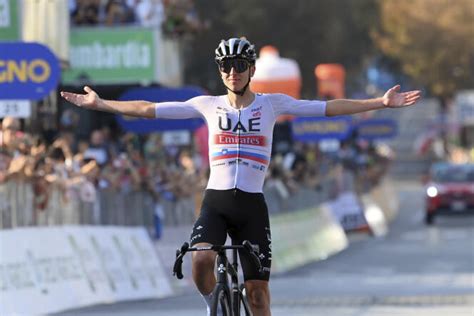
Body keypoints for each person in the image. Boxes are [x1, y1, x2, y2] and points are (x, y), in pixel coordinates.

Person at [60, 37, 421, 316]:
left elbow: (328, 108)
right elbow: (147, 109)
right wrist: (103, 104)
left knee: (259, 297)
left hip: (251, 205)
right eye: (225, 67)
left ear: (250, 69)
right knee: (200, 261)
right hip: (215, 201)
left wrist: (379, 103)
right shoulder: (207, 104)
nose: (232, 72)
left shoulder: (271, 104)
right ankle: (210, 305)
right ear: (220, 72)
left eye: (239, 65)